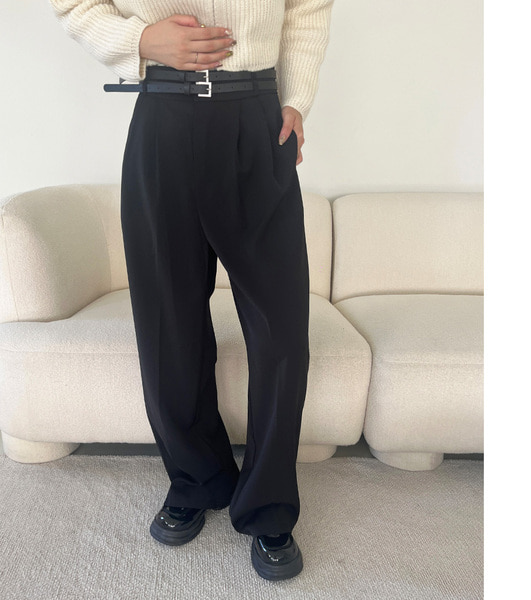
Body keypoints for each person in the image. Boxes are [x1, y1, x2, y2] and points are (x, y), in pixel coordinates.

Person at [49, 0, 334, 581]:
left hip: (257, 116)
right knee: (168, 322)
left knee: (281, 328)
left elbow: (309, 5)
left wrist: (296, 99)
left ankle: (269, 503)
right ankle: (196, 478)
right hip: (163, 115)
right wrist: (139, 41)